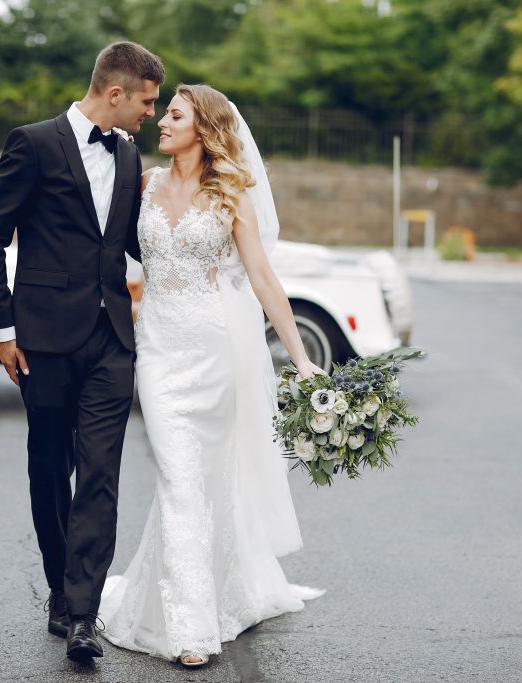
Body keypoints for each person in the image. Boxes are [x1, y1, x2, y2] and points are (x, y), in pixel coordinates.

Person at [97, 84, 325, 667]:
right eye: (163, 114)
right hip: (160, 352)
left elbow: (263, 281)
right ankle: (192, 628)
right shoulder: (143, 185)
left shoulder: (231, 195)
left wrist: (301, 360)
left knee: (208, 482)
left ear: (205, 129)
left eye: (174, 115)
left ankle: (218, 593)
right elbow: (106, 253)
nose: (161, 124)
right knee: (178, 477)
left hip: (216, 352)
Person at [0, 42, 165, 661]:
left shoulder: (132, 158)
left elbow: (139, 240)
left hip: (112, 340)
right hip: (43, 342)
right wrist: (3, 331)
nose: (151, 115)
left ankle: (84, 612)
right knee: (50, 469)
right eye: (147, 101)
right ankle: (60, 588)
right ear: (116, 93)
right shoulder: (32, 143)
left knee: (101, 474)